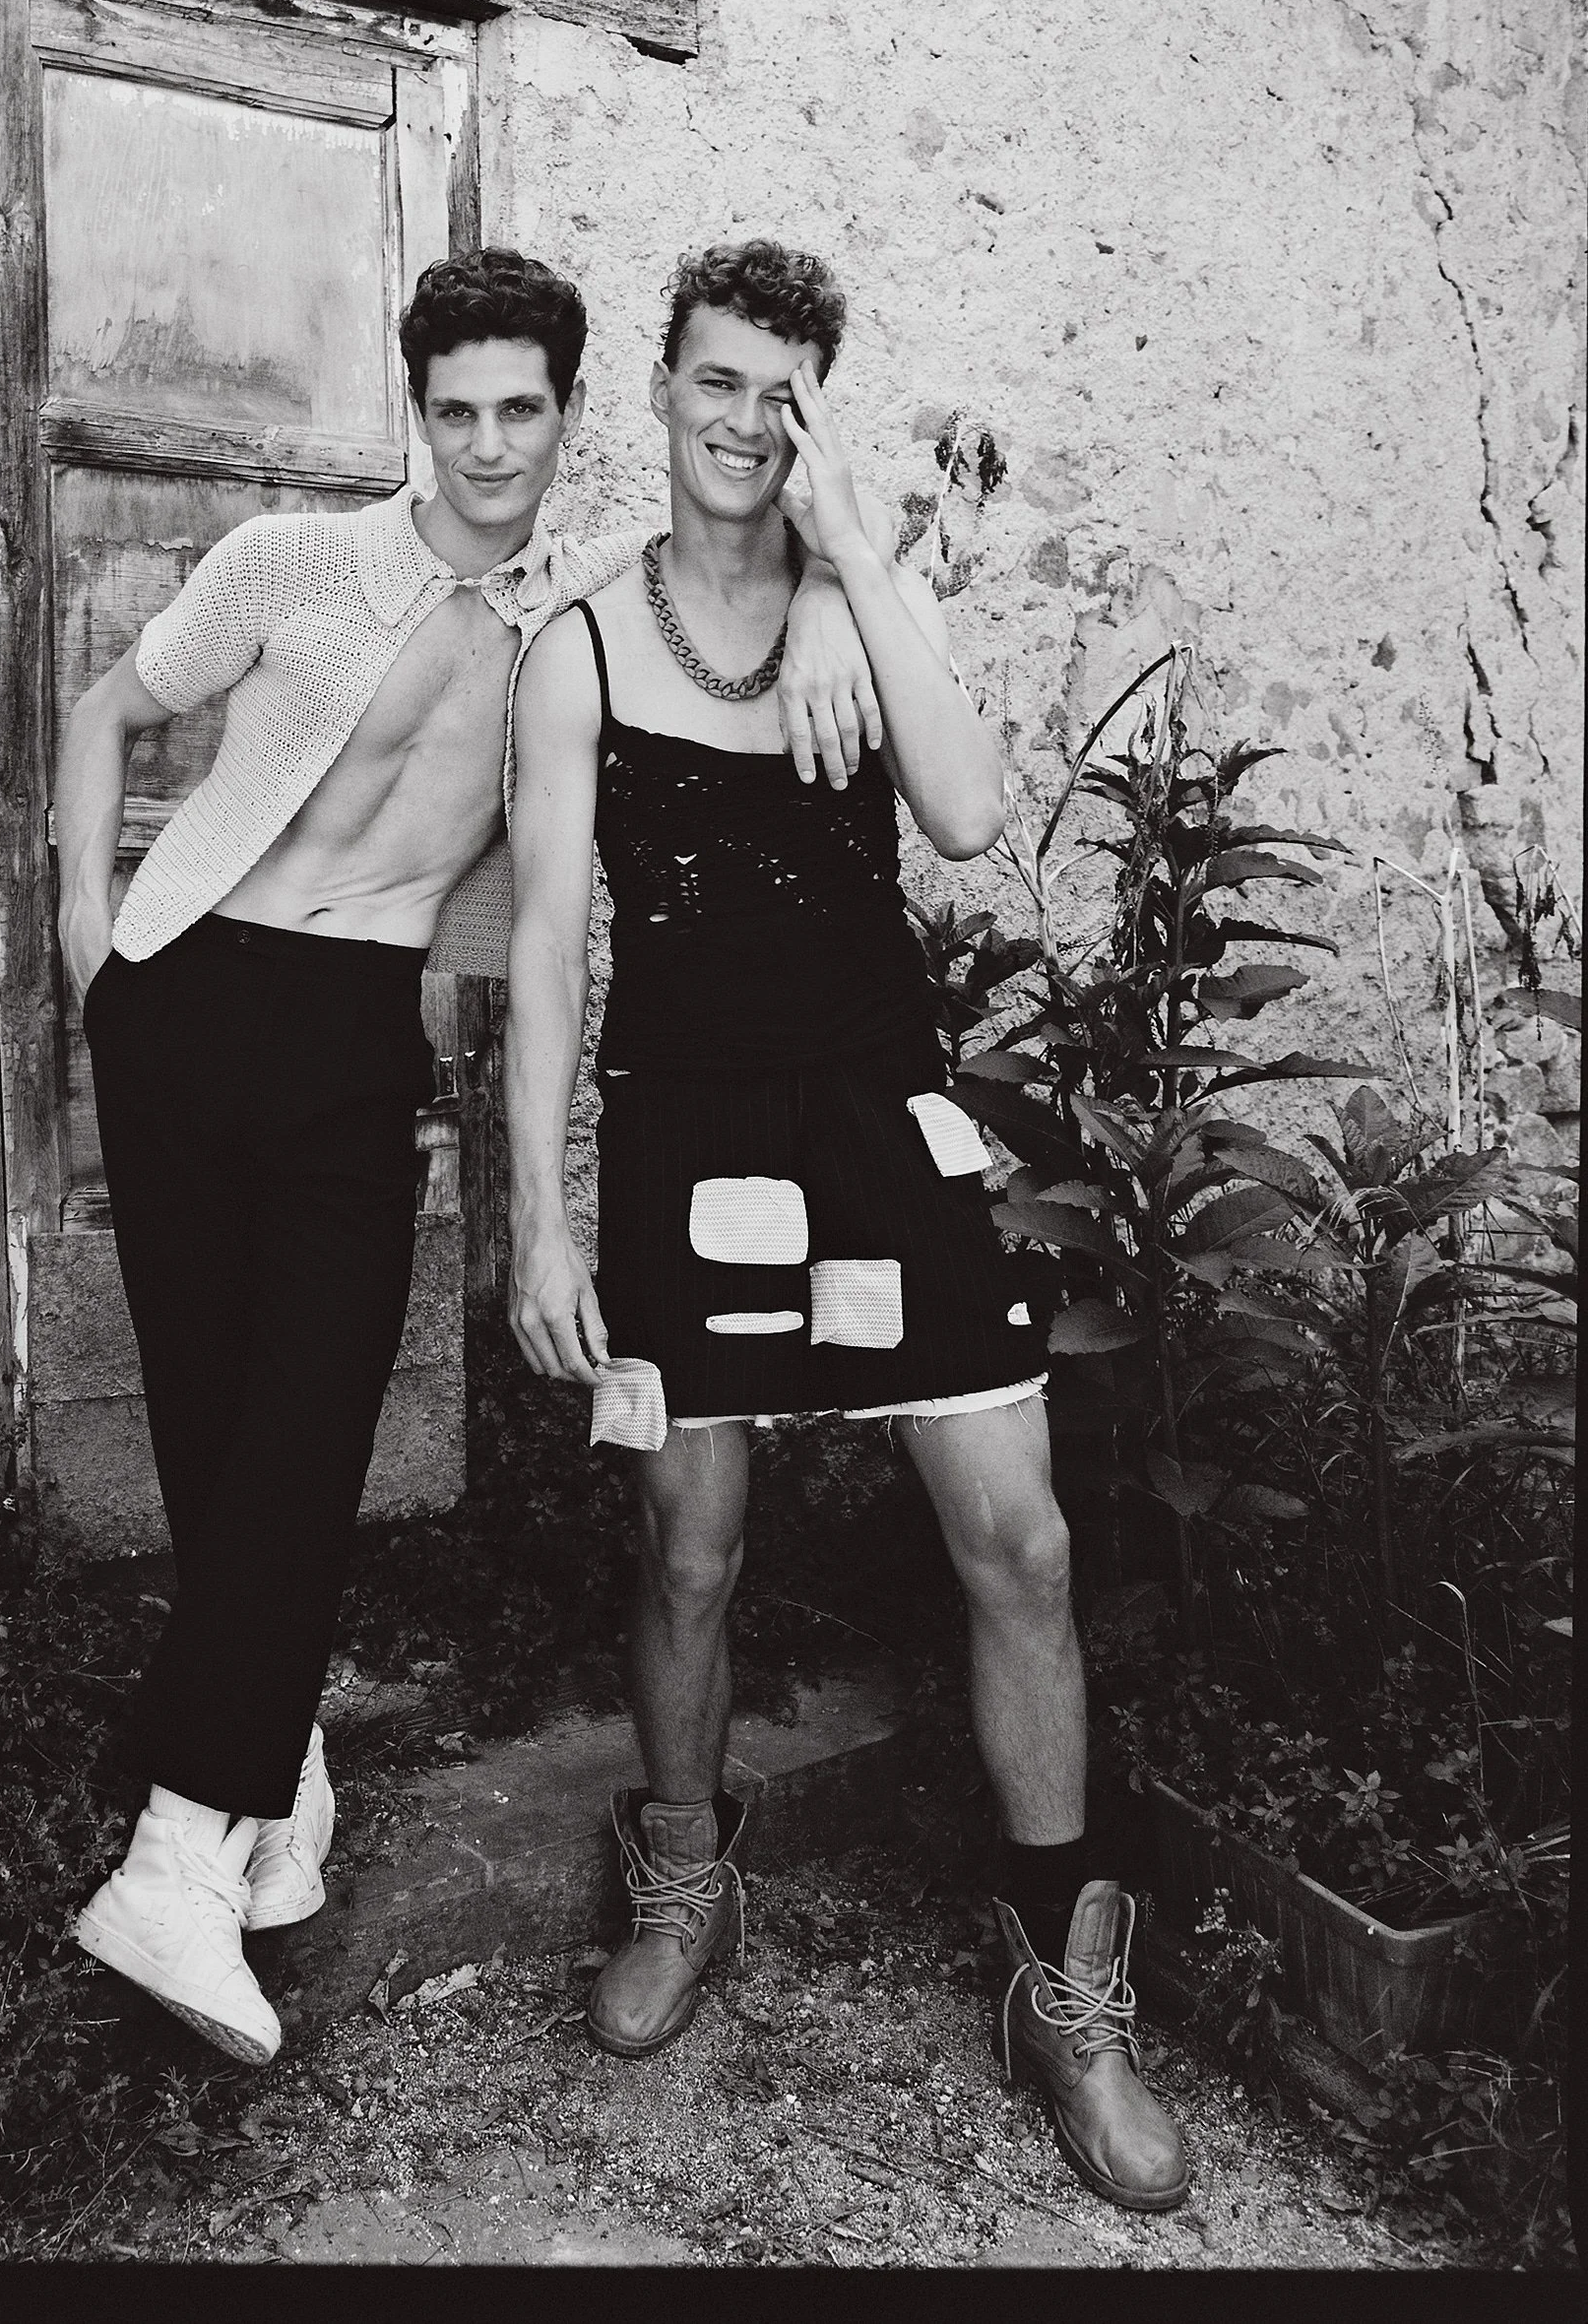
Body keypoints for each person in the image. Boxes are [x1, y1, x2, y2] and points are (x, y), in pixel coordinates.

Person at [52, 248, 882, 2066]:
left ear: (570, 417)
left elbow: (740, 551)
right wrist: (89, 947)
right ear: (410, 412)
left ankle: (176, 1857)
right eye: (455, 412)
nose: (489, 447)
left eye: (523, 411)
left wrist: (830, 601)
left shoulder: (579, 605)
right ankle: (280, 1777)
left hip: (357, 1031)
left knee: (313, 1420)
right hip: (184, 994)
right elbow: (107, 714)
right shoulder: (289, 566)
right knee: (214, 1429)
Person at [504, 236, 1190, 2213]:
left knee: (1023, 1540)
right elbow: (551, 946)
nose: (741, 423)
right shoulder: (587, 647)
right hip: (684, 1129)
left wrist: (856, 574)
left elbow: (970, 816)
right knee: (688, 1540)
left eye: (781, 395)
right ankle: (684, 1883)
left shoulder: (849, 610)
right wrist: (545, 1225)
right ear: (659, 393)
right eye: (713, 383)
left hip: (884, 1117)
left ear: (819, 414)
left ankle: (1065, 1985)